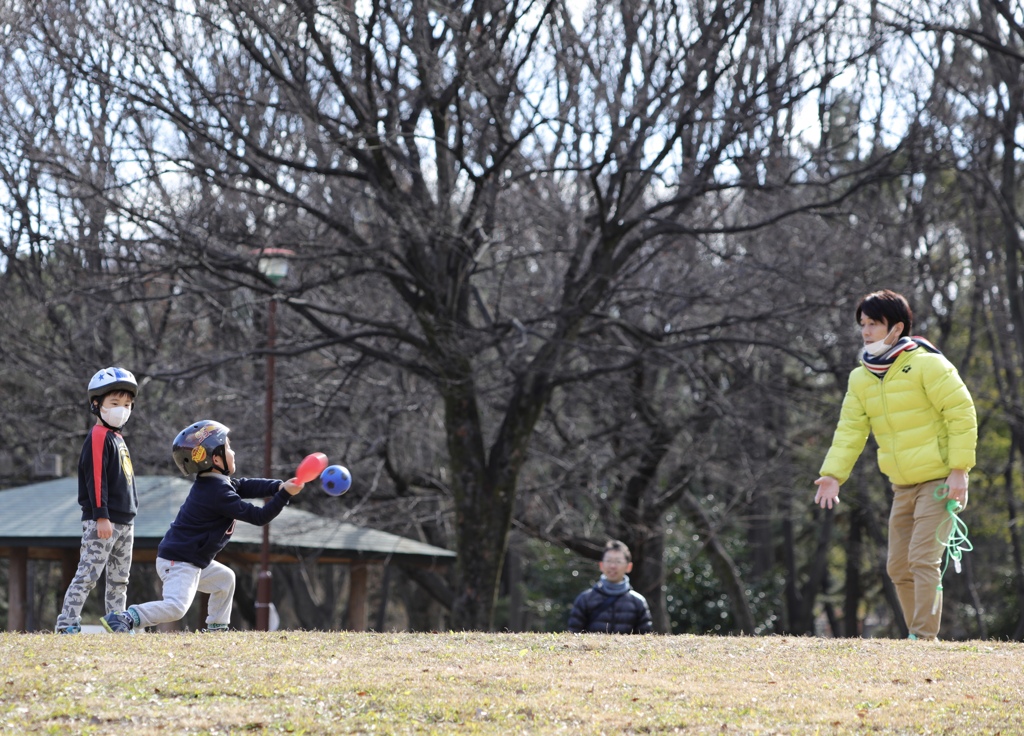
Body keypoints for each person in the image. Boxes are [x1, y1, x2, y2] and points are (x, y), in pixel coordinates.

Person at [814, 289, 977, 640]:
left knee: (923, 560)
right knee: (898, 567)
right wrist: (832, 475)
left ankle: (923, 639)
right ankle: (917, 637)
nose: (866, 330)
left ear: (897, 327)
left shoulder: (928, 364)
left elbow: (962, 413)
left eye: (874, 323)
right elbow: (850, 430)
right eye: (863, 323)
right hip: (902, 486)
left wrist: (959, 471)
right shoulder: (861, 377)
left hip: (939, 482)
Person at [101, 420, 304, 633]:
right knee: (176, 607)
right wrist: (284, 495)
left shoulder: (216, 483)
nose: (233, 452)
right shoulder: (217, 493)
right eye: (228, 447)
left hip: (191, 560)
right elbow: (259, 516)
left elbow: (245, 485)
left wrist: (278, 486)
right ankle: (124, 618)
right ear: (216, 458)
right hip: (179, 562)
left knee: (225, 579)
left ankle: (217, 628)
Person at [55, 367, 140, 635]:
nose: (121, 410)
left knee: (119, 579)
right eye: (114, 403)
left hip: (125, 521)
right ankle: (67, 624)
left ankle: (117, 625)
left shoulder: (118, 438)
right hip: (103, 521)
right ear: (96, 404)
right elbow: (96, 478)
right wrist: (101, 515)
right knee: (88, 575)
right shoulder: (99, 436)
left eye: (127, 404)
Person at [568, 540, 653, 634]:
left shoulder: (638, 602)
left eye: (618, 561)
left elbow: (644, 637)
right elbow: (574, 634)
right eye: (608, 561)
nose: (612, 566)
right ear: (601, 565)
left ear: (629, 567)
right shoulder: (585, 599)